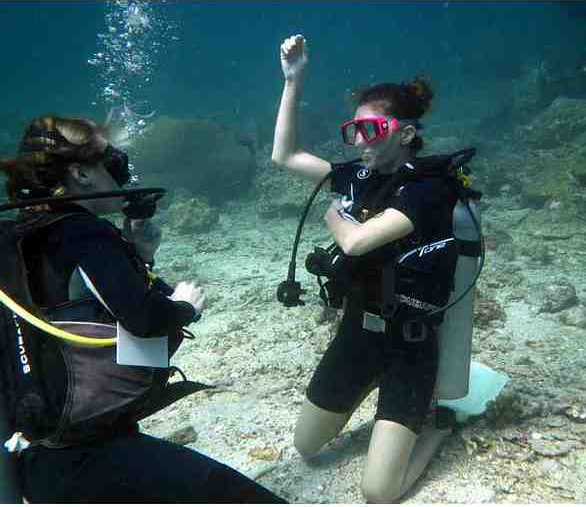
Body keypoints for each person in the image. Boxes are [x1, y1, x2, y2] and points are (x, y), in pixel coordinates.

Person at [0, 116, 286, 503]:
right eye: (112, 163)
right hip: (92, 452)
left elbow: (81, 314)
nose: (122, 173)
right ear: (81, 174)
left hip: (40, 456)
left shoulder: (21, 234)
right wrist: (184, 307)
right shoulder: (84, 232)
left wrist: (139, 256)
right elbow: (145, 320)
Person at [272, 34, 464, 503]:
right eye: (353, 130)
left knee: (379, 493)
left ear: (406, 134)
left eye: (371, 129)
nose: (360, 141)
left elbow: (356, 241)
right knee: (305, 446)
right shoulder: (359, 177)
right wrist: (293, 82)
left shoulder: (431, 189)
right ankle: (381, 406)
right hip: (358, 332)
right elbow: (285, 156)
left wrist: (332, 214)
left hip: (409, 345)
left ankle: (437, 428)